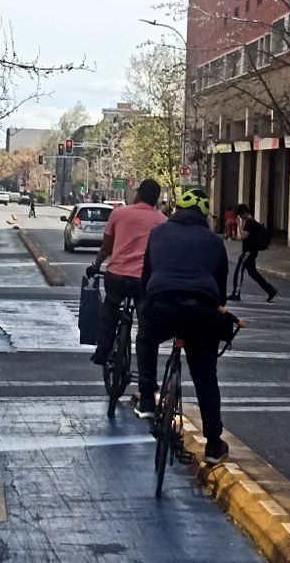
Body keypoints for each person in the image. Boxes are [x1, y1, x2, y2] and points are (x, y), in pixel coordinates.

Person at [134, 187, 232, 463]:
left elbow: (147, 277)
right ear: (204, 214)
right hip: (200, 311)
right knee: (205, 375)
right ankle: (213, 444)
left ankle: (147, 399)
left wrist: (146, 307)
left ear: (176, 209)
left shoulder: (159, 232)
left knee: (146, 339)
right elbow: (221, 294)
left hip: (161, 305)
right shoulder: (214, 241)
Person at [86, 178, 167, 365]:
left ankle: (103, 351)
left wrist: (96, 266)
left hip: (117, 276)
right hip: (145, 280)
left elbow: (106, 247)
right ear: (156, 199)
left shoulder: (119, 214)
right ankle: (145, 365)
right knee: (146, 321)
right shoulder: (163, 221)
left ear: (138, 194)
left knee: (110, 309)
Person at [228, 204, 277, 302]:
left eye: (241, 215)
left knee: (239, 270)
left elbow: (244, 236)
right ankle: (270, 290)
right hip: (251, 251)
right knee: (253, 273)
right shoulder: (250, 222)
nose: (240, 217)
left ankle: (236, 293)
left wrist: (239, 225)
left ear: (245, 213)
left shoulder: (250, 223)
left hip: (249, 252)